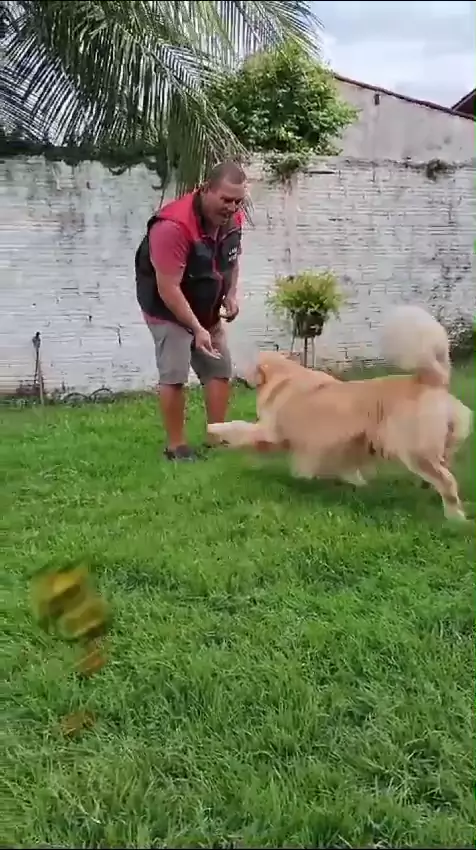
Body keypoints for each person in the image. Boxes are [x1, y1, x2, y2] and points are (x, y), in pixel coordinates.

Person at [135, 160, 247, 461]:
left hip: (205, 306)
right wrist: (196, 329)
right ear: (206, 189)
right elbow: (168, 287)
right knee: (174, 373)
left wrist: (230, 295)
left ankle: (217, 437)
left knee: (219, 369)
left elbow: (231, 260)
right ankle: (176, 447)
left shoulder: (233, 220)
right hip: (167, 309)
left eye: (238, 201)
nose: (232, 207)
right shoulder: (173, 226)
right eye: (226, 199)